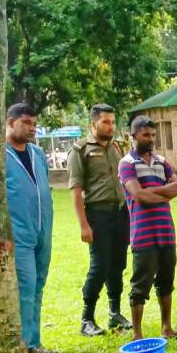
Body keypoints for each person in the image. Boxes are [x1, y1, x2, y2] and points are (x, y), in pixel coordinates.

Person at [118, 116, 177, 341]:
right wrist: (163, 193)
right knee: (140, 285)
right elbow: (138, 195)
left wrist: (150, 193)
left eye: (153, 135)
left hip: (166, 232)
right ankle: (137, 334)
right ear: (133, 136)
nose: (151, 139)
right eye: (146, 135)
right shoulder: (126, 163)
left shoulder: (162, 161)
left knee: (166, 282)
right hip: (143, 236)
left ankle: (167, 327)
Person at [68, 103, 130, 336]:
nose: (110, 126)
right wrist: (84, 224)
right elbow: (75, 191)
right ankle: (87, 318)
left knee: (118, 264)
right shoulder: (80, 149)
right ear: (93, 124)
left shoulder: (117, 147)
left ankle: (115, 313)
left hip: (121, 213)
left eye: (113, 122)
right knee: (99, 266)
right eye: (105, 122)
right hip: (98, 214)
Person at [4, 103, 55, 353]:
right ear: (10, 123)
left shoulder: (38, 154)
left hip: (43, 228)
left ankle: (34, 341)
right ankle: (23, 344)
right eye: (26, 123)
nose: (32, 128)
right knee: (25, 285)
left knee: (39, 283)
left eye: (34, 123)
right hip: (17, 232)